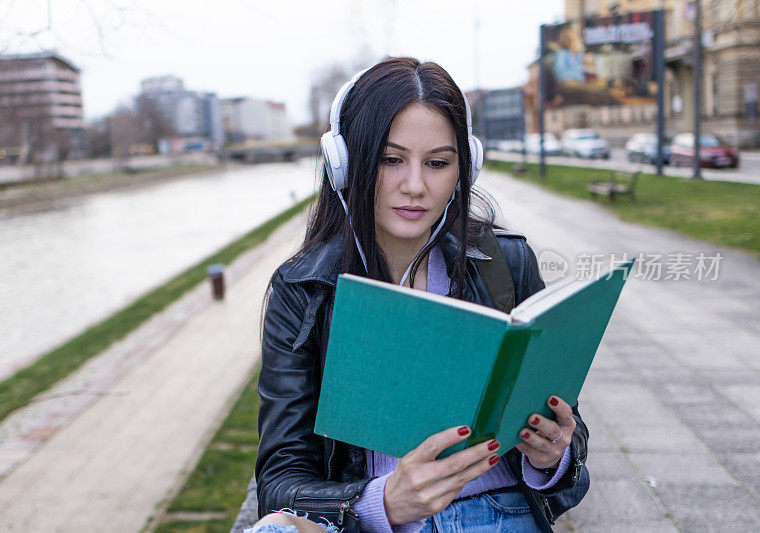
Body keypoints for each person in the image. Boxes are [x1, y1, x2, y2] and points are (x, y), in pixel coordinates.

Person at [248, 57, 589, 533]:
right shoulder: (302, 289)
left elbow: (571, 444)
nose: (414, 186)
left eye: (437, 163)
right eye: (391, 160)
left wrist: (552, 454)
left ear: (463, 167)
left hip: (502, 513)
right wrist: (381, 502)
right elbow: (281, 481)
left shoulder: (507, 265)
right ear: (345, 163)